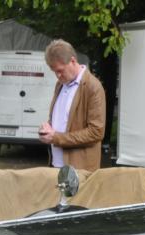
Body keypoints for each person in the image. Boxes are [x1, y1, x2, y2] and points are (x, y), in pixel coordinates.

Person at [38, 39, 105, 171]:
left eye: (60, 70)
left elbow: (96, 132)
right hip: (56, 164)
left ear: (73, 61)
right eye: (54, 71)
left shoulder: (93, 87)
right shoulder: (60, 84)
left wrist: (56, 138)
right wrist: (48, 129)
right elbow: (64, 120)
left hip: (79, 169)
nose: (57, 75)